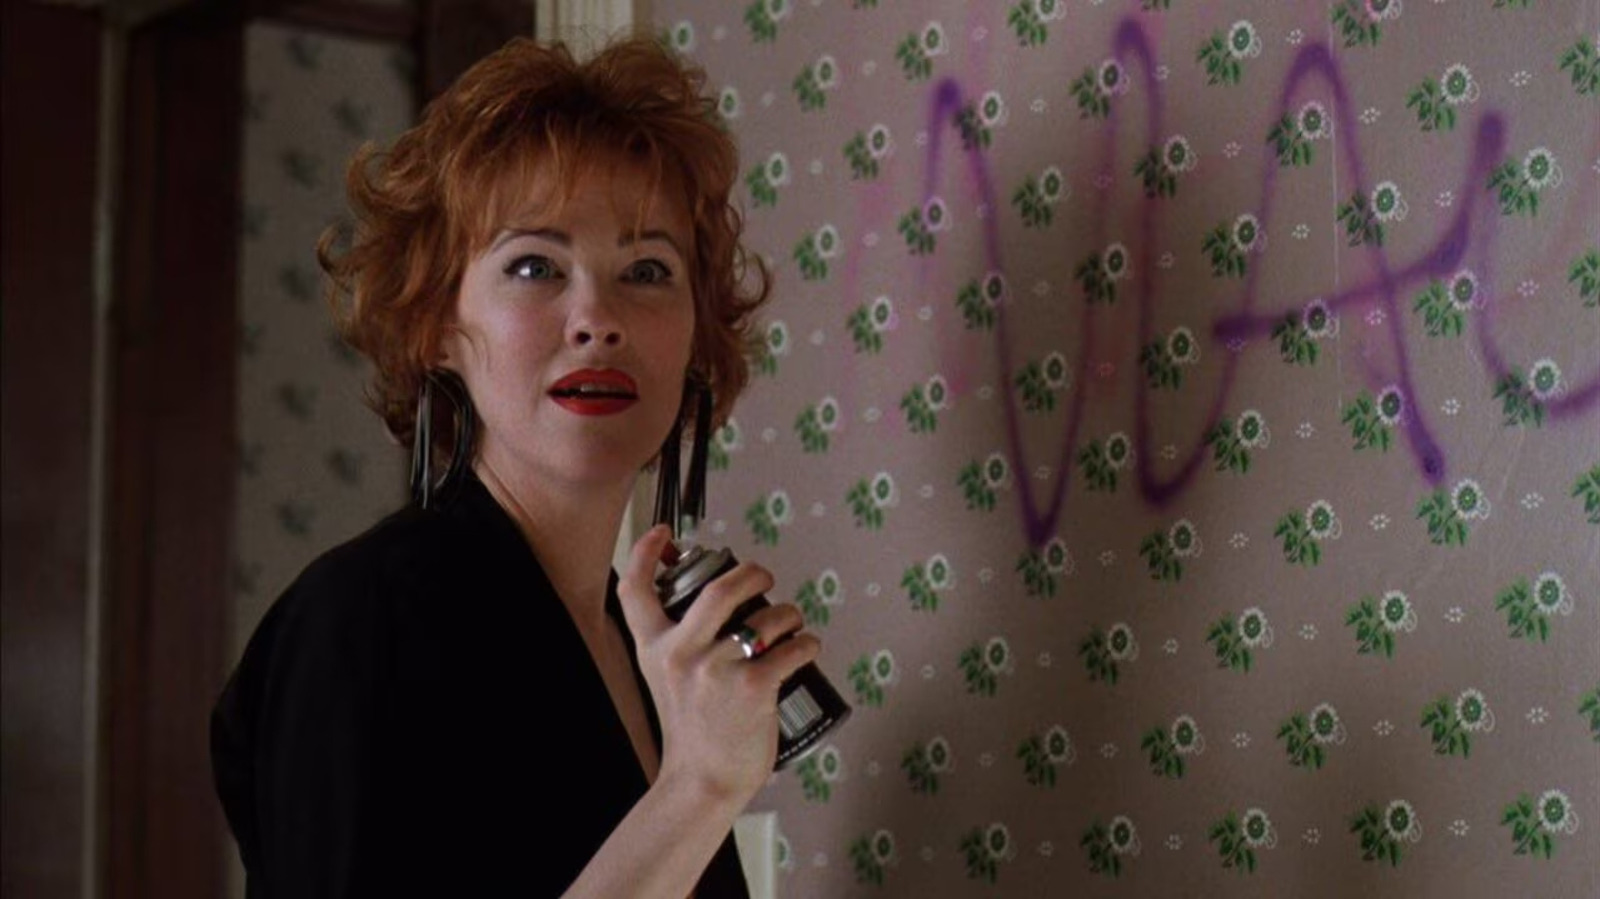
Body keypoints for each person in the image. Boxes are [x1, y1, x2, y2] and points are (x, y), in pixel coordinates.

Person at [210, 35, 822, 898]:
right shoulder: (358, 622)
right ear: (435, 325)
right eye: (535, 266)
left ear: (696, 335)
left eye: (648, 269)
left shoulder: (656, 659)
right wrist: (698, 788)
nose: (597, 317)